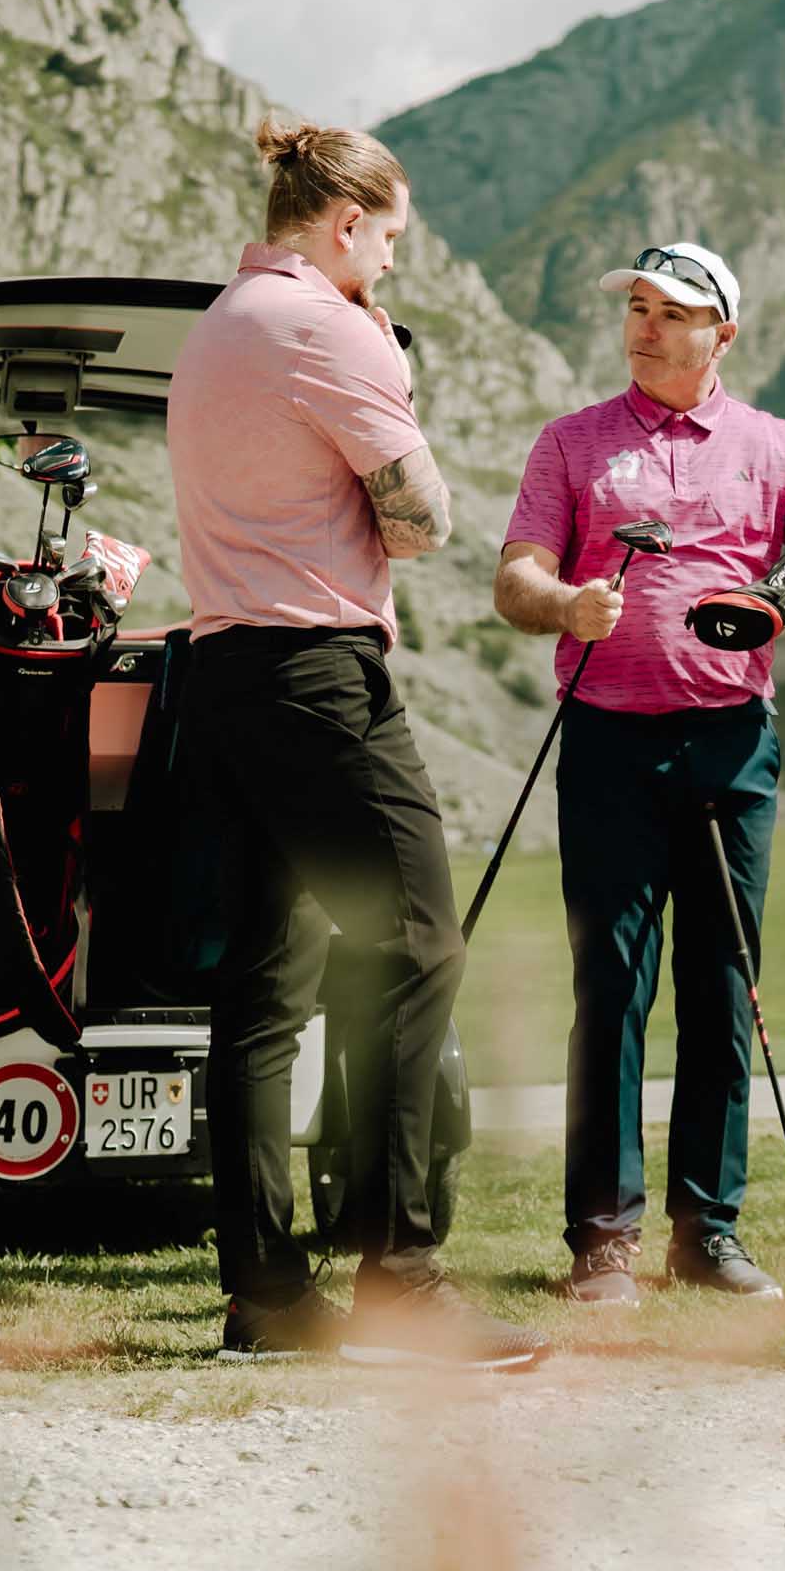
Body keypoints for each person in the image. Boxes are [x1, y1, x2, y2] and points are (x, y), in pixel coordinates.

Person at [167, 119, 545, 1372]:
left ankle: (266, 1296)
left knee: (261, 997)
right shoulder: (329, 329)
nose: (389, 261)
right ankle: (401, 1277)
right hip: (316, 673)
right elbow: (426, 520)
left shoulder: (219, 324)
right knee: (419, 941)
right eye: (386, 237)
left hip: (219, 667)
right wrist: (391, 369)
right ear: (342, 223)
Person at [495, 239, 785, 1306]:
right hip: (607, 738)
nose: (646, 326)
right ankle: (603, 1241)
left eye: (672, 311)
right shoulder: (573, 442)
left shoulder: (778, 446)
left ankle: (706, 1230)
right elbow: (516, 574)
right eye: (635, 306)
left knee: (722, 989)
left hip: (731, 743)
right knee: (611, 983)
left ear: (723, 331)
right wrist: (563, 600)